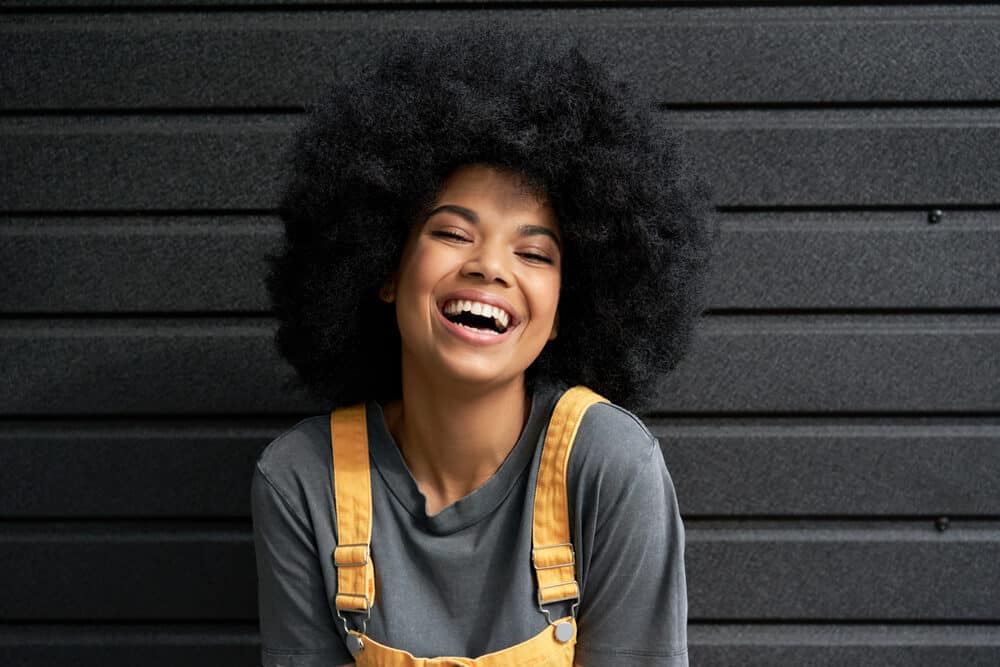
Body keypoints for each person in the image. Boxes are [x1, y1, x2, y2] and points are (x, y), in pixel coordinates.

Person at [252, 22, 717, 667]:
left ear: (562, 313)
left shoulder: (610, 467)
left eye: (533, 252)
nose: (490, 267)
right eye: (451, 233)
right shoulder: (302, 481)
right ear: (385, 268)